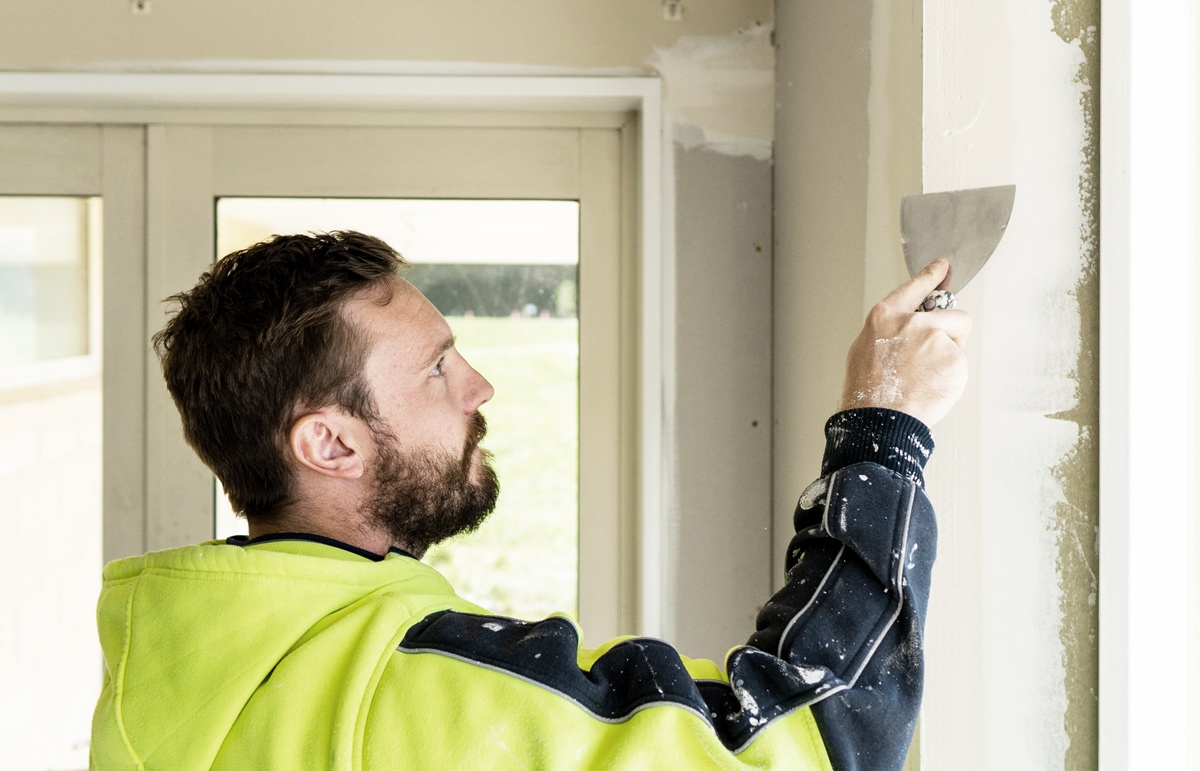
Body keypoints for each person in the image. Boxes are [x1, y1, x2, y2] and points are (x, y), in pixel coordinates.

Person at [90, 231, 970, 770]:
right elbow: (811, 742)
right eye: (436, 368)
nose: (478, 385)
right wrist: (882, 431)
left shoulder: (150, 704)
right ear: (331, 443)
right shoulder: (414, 680)